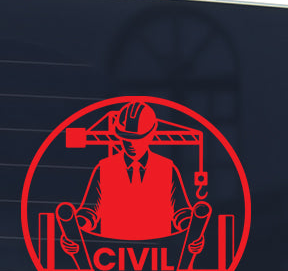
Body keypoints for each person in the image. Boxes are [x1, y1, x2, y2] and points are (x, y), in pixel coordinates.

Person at [60, 102, 205, 254]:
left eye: (137, 138)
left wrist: (193, 234)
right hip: (112, 254)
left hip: (157, 254)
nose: (129, 143)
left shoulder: (167, 169)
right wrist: (74, 232)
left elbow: (180, 213)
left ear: (151, 133)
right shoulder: (104, 168)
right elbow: (90, 212)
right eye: (125, 137)